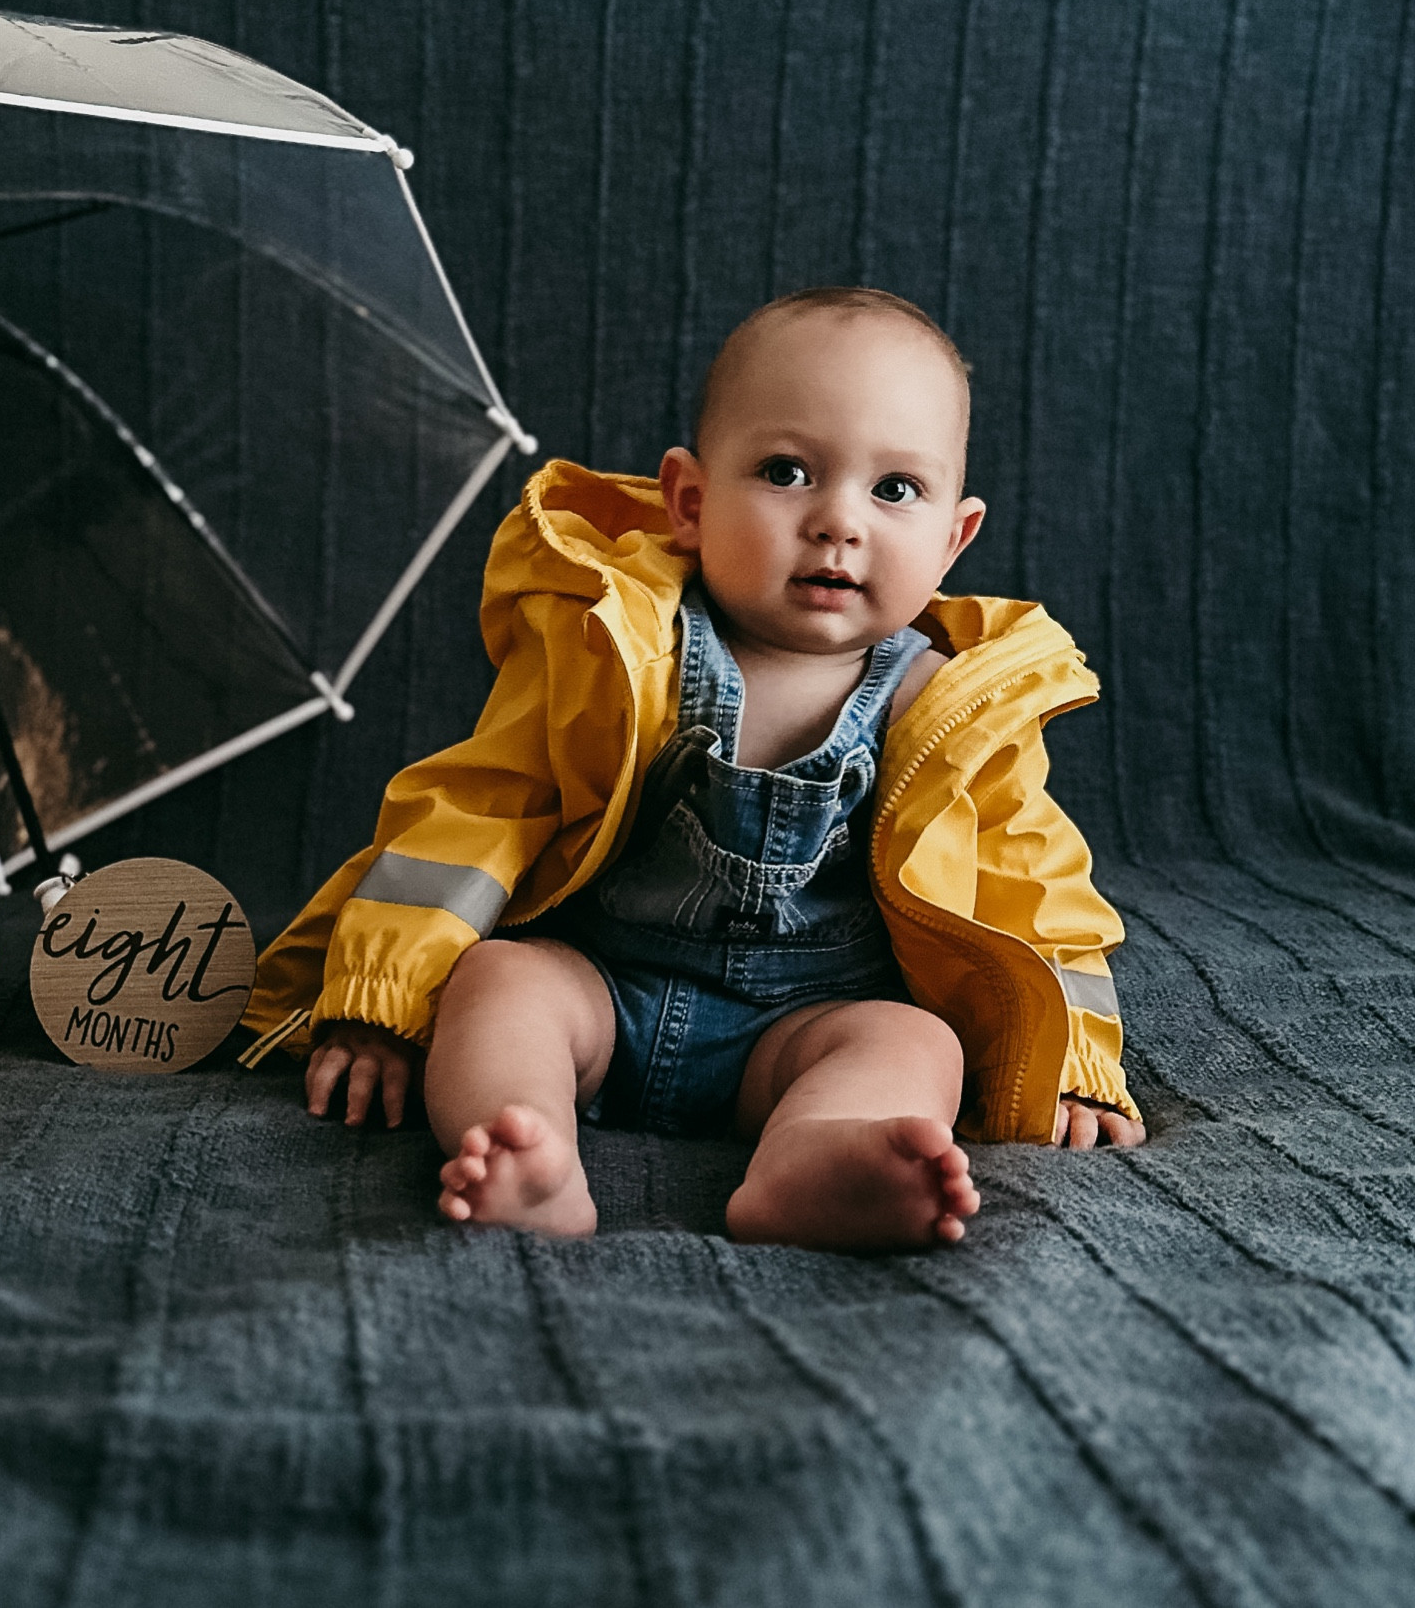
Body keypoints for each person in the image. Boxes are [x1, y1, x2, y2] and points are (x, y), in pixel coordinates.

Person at [240, 288, 1143, 1250]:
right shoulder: (617, 647)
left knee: (913, 1044)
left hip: (802, 1026)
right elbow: (476, 809)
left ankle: (813, 1156)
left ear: (954, 537)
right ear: (690, 501)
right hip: (602, 987)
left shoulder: (952, 706)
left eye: (894, 490)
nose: (839, 521)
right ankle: (525, 1146)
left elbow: (1031, 886)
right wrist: (380, 999)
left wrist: (1075, 1063)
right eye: (788, 471)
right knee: (499, 982)